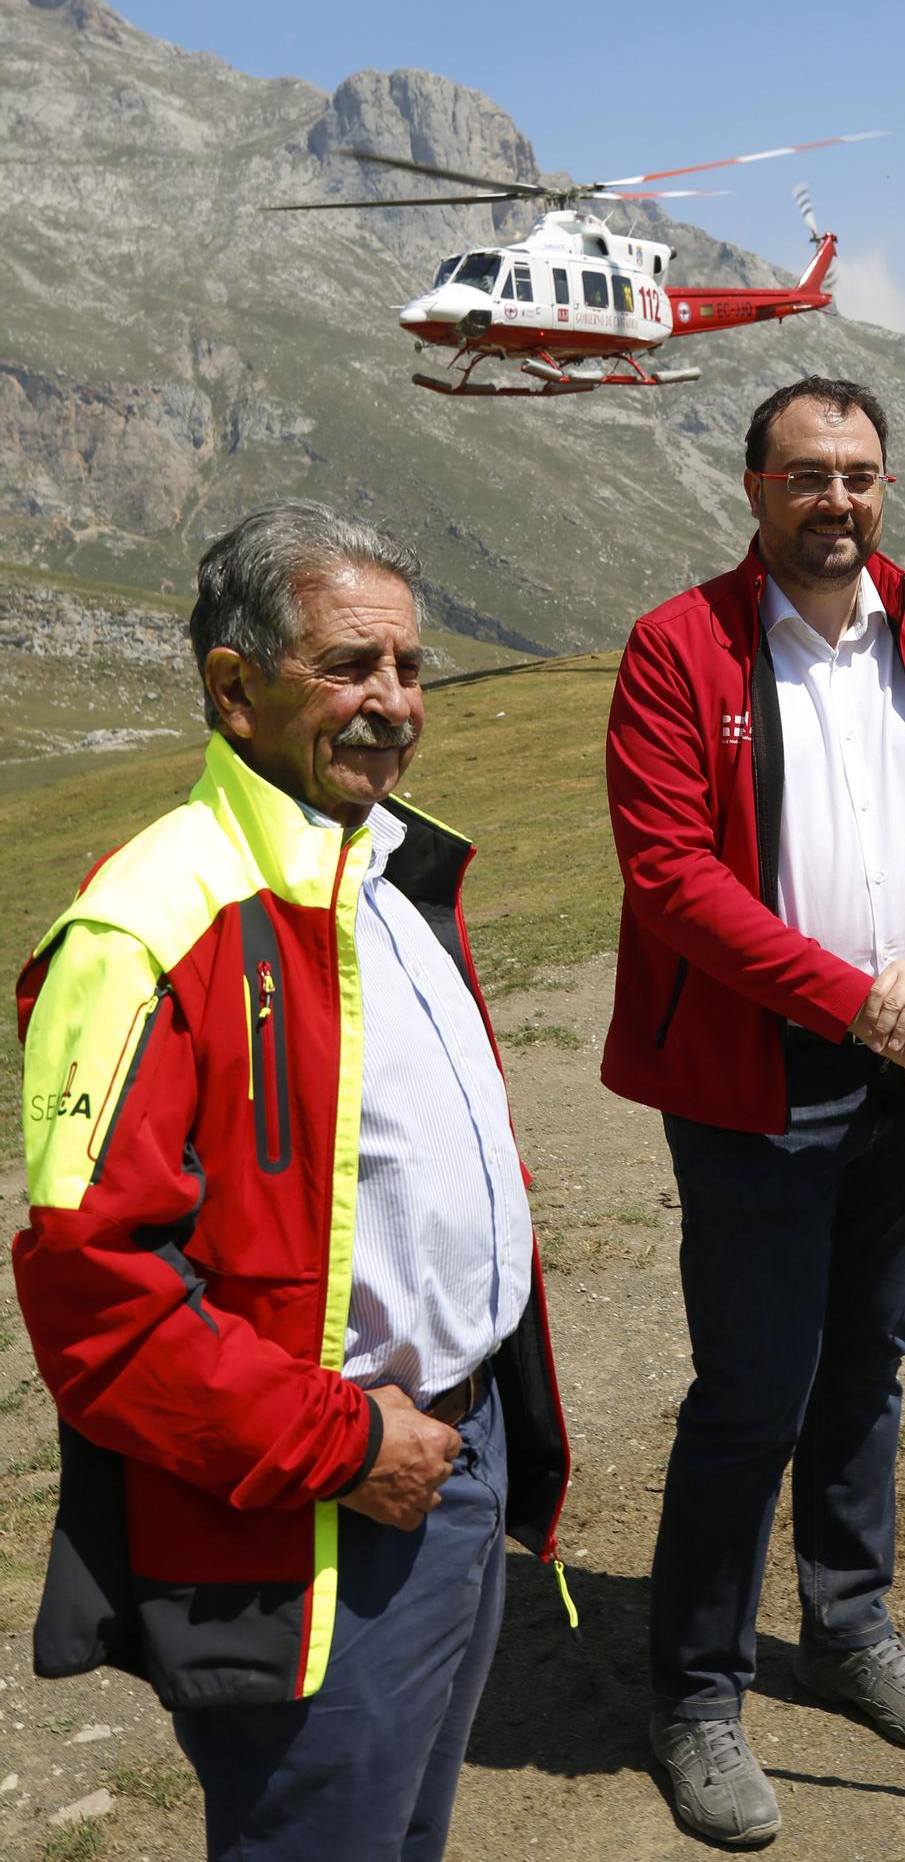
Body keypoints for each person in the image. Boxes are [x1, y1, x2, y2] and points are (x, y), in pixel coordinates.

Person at [13, 500, 569, 1861]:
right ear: (233, 686)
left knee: (406, 1831)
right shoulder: (148, 925)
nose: (391, 704)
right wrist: (348, 1445)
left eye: (410, 668)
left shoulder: (387, 870)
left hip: (453, 1452)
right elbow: (99, 1293)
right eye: (347, 666)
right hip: (315, 1507)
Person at [603, 377, 905, 1848]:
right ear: (752, 488)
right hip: (756, 1085)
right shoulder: (680, 648)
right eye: (805, 475)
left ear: (884, 486)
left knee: (869, 1366)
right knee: (753, 1393)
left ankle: (846, 1627)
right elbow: (672, 877)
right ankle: (696, 1691)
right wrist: (848, 997)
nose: (834, 501)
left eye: (856, 475)